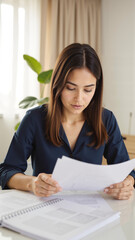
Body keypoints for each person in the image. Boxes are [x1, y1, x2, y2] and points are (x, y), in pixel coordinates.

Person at [0, 43, 134, 200]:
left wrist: (127, 183)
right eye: (71, 88)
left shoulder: (106, 120)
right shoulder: (34, 119)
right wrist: (33, 183)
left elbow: (127, 171)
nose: (79, 98)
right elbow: (7, 170)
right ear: (58, 84)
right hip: (45, 211)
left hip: (92, 212)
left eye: (88, 90)